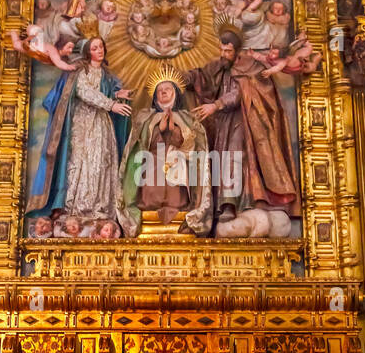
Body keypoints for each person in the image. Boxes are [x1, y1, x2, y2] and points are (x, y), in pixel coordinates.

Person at [183, 22, 300, 230]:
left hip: (245, 123)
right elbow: (202, 76)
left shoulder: (250, 66)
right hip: (223, 123)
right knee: (221, 159)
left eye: (227, 50)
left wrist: (216, 104)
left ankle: (235, 203)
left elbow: (240, 92)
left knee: (235, 158)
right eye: (221, 49)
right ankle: (223, 204)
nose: (223, 53)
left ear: (237, 50)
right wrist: (181, 78)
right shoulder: (220, 65)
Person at [26, 35, 131, 230]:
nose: (99, 50)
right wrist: (111, 104)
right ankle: (76, 209)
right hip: (82, 123)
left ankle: (100, 209)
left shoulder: (108, 76)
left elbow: (103, 91)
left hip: (101, 123)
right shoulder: (79, 71)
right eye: (94, 48)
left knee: (101, 161)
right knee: (80, 162)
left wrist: (117, 95)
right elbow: (84, 92)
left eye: (101, 47)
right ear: (87, 52)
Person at [118, 77, 213, 236]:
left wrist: (175, 129)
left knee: (177, 168)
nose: (163, 92)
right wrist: (158, 128)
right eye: (159, 90)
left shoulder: (187, 118)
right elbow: (139, 143)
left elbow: (192, 145)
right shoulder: (144, 117)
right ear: (155, 97)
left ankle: (181, 205)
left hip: (178, 161)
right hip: (152, 159)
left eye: (167, 89)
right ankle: (148, 205)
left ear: (175, 93)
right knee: (152, 165)